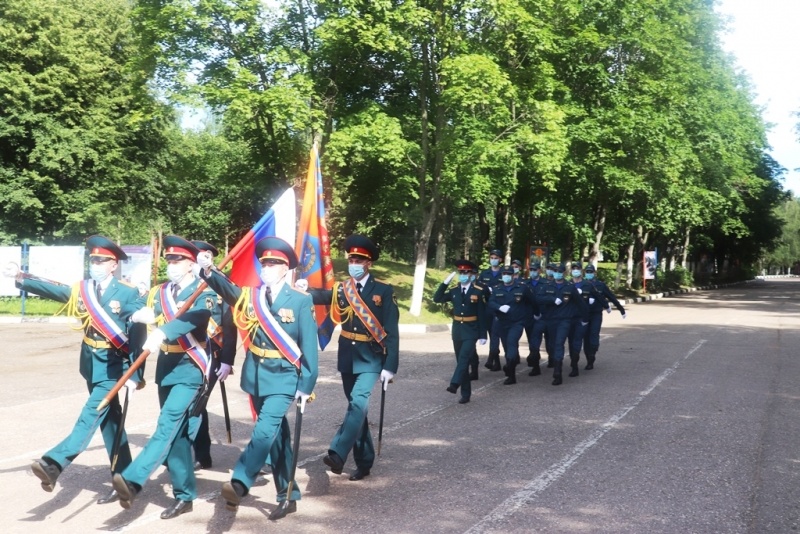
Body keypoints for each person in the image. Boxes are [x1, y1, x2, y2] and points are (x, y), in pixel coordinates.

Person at [2, 236, 141, 504]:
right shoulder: (84, 289)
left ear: (114, 265)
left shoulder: (127, 292)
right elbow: (57, 292)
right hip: (91, 365)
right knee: (111, 425)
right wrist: (21, 277)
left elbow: (139, 333)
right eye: (93, 259)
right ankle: (126, 478)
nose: (96, 264)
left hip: (115, 368)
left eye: (102, 260)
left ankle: (54, 463)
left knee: (90, 415)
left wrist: (135, 375)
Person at [197, 236, 318, 520]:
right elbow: (227, 290)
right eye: (264, 263)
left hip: (285, 378)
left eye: (274, 263)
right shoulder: (251, 296)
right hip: (257, 376)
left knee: (264, 431)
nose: (267, 267)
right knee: (277, 439)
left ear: (285, 268)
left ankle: (239, 482)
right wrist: (208, 270)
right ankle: (288, 494)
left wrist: (307, 385)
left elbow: (309, 345)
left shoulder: (300, 301)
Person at [112, 235, 219, 519]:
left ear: (191, 263)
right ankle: (185, 495)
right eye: (170, 259)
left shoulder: (204, 289)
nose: (172, 264)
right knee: (179, 437)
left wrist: (164, 330)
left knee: (168, 422)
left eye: (179, 259)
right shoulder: (160, 292)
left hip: (191, 367)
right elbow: (136, 309)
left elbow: (197, 318)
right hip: (167, 368)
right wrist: (138, 315)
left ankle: (134, 478)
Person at [308, 235, 399, 482]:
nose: (354, 263)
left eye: (359, 259)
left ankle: (337, 453)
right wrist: (303, 289)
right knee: (356, 411)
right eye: (351, 259)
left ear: (368, 263)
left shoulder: (383, 290)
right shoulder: (342, 289)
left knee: (358, 403)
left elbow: (391, 329)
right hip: (348, 356)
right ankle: (365, 461)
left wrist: (390, 366)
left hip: (371, 357)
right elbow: (323, 296)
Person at [190, 240, 237, 471]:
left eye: (200, 256)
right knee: (189, 402)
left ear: (209, 257)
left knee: (198, 403)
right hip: (186, 353)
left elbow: (230, 325)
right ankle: (188, 450)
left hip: (211, 355)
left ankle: (202, 455)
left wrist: (227, 360)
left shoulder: (221, 284)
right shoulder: (184, 283)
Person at [433, 259, 488, 404]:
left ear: (471, 274)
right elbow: (437, 298)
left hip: (472, 330)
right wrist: (445, 283)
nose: (462, 274)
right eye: (460, 272)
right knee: (460, 361)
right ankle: (466, 393)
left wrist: (483, 334)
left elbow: (482, 315)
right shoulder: (454, 291)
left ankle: (454, 384)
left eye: (466, 272)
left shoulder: (478, 291)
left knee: (464, 358)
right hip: (457, 330)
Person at [536, 262, 588, 386]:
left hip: (565, 320)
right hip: (551, 320)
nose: (557, 274)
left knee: (559, 343)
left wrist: (585, 318)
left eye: (560, 272)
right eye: (555, 271)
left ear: (564, 273)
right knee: (552, 345)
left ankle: (557, 373)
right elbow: (538, 298)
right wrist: (552, 299)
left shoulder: (569, 287)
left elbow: (580, 303)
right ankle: (558, 364)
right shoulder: (547, 286)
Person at [487, 265, 539, 385]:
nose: (506, 276)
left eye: (508, 274)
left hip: (517, 323)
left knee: (511, 343)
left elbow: (533, 302)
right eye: (504, 274)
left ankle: (510, 368)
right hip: (502, 323)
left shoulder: (522, 288)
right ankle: (511, 373)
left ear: (513, 275)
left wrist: (536, 314)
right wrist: (499, 307)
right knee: (507, 347)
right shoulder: (497, 288)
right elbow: (491, 303)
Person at [582, 264, 626, 370]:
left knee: (594, 333)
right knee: (585, 337)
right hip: (584, 314)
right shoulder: (582, 284)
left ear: (594, 273)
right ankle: (589, 359)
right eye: (587, 272)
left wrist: (621, 309)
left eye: (590, 272)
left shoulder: (600, 285)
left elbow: (611, 297)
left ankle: (593, 353)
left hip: (596, 314)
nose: (588, 274)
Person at [478, 248, 504, 371]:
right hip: (488, 307)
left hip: (500, 308)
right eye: (491, 258)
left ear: (500, 259)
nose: (493, 260)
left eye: (496, 258)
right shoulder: (484, 273)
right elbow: (479, 288)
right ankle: (496, 362)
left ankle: (492, 357)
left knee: (495, 333)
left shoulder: (505, 273)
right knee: (490, 332)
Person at [524, 261, 549, 377]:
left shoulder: (546, 283)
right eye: (531, 270)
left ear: (539, 270)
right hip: (530, 316)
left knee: (549, 342)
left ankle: (552, 357)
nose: (533, 272)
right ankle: (535, 365)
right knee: (533, 342)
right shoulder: (525, 284)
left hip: (544, 316)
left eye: (535, 270)